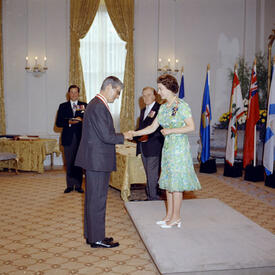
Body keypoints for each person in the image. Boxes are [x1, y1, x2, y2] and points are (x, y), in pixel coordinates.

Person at [131, 74, 201, 228]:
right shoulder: (163, 107)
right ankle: (169, 215)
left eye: (161, 89)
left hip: (179, 150)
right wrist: (134, 133)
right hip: (168, 149)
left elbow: (191, 127)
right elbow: (151, 128)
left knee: (176, 185)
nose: (159, 92)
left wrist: (171, 131)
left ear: (169, 89)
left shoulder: (182, 105)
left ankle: (176, 217)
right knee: (169, 184)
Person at [75, 76, 132, 248]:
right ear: (108, 87)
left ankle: (92, 235)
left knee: (93, 199)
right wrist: (125, 136)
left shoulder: (94, 104)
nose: (117, 96)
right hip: (97, 162)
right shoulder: (98, 106)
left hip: (95, 161)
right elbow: (106, 136)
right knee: (97, 200)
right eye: (117, 92)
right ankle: (97, 238)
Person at [56, 85, 87, 194]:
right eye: (71, 92)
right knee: (69, 163)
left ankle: (78, 185)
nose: (73, 94)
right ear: (68, 94)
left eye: (76, 92)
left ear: (79, 93)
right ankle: (69, 185)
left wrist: (81, 120)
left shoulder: (83, 105)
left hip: (80, 139)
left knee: (78, 163)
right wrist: (69, 122)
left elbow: (89, 122)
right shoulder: (63, 106)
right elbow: (58, 123)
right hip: (68, 138)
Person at [135, 87, 164, 200]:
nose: (145, 97)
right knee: (148, 174)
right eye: (143, 95)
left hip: (154, 147)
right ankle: (150, 195)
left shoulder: (160, 109)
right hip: (143, 146)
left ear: (154, 96)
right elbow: (142, 127)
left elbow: (161, 130)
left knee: (152, 175)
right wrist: (135, 135)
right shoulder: (143, 110)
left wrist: (148, 136)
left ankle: (153, 198)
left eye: (148, 95)